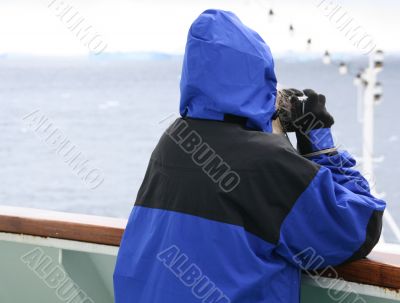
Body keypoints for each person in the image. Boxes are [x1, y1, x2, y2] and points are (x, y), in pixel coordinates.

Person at [113, 9, 386, 303]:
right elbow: (359, 230)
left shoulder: (174, 140)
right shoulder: (267, 160)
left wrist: (271, 130)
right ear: (262, 77)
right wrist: (319, 143)